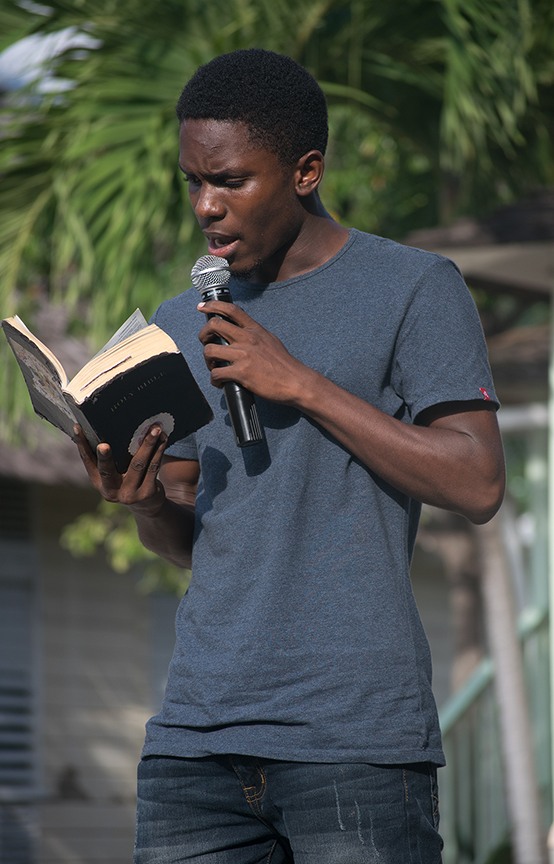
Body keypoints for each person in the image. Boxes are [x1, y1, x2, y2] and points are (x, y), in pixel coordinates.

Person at [74, 49, 505, 863]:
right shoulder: (184, 316)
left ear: (305, 170)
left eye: (231, 181)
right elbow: (189, 543)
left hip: (355, 742)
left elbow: (477, 480)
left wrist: (299, 383)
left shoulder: (415, 287)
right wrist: (142, 505)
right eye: (192, 182)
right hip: (195, 741)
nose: (206, 206)